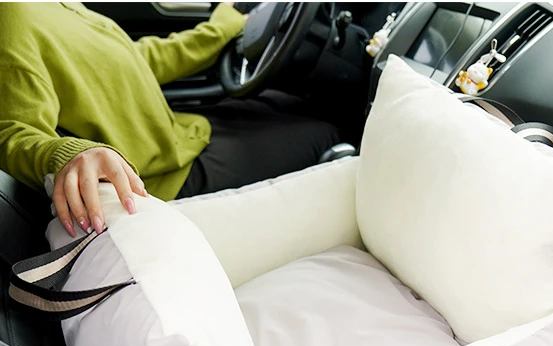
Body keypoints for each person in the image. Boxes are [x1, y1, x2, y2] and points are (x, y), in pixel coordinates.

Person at [0, 2, 340, 237]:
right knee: (324, 132)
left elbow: (138, 59)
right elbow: (13, 131)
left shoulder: (58, 5)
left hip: (182, 133)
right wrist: (69, 155)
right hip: (164, 176)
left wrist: (221, 27)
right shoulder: (12, 15)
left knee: (290, 105)